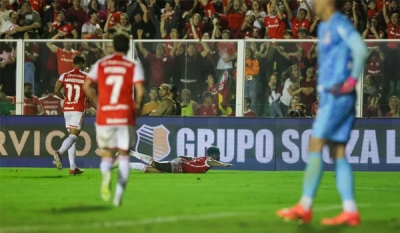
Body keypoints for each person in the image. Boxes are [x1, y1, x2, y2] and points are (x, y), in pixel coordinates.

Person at [276, 0, 368, 226]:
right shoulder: (324, 26)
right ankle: (350, 210)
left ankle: (305, 206)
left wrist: (350, 82)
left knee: (315, 144)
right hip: (331, 97)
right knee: (337, 151)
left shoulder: (338, 23)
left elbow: (361, 50)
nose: (313, 3)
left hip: (337, 96)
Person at [83, 33, 145, 207]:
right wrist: (138, 107)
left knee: (107, 155)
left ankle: (106, 176)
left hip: (105, 115)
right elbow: (140, 91)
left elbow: (87, 86)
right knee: (124, 156)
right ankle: (118, 195)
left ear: (112, 47)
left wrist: (98, 103)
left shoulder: (101, 64)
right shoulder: (132, 65)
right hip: (125, 115)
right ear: (127, 48)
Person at [52, 56, 88, 175]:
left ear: (73, 64)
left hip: (67, 108)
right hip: (78, 108)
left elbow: (56, 91)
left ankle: (73, 167)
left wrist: (65, 99)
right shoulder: (86, 77)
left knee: (71, 137)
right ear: (83, 64)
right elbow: (90, 94)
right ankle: (59, 153)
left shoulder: (64, 75)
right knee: (74, 137)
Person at [126, 146, 234, 173]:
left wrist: (180, 158)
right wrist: (223, 164)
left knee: (154, 171)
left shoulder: (204, 158)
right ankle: (131, 153)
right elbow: (212, 162)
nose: (219, 156)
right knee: (155, 164)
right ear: (213, 154)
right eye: (218, 154)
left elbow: (190, 158)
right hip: (180, 166)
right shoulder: (209, 160)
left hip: (181, 165)